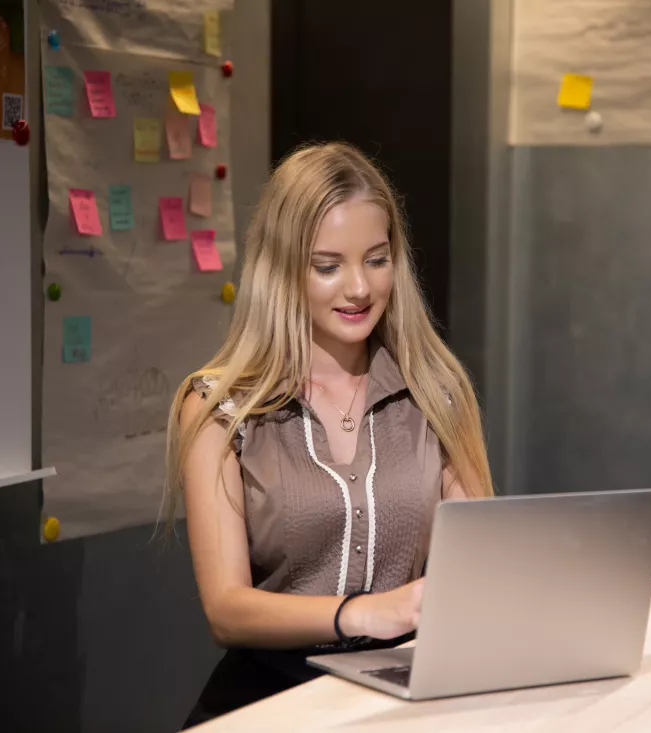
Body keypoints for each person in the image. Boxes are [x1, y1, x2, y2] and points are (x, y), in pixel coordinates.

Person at [162, 142, 494, 727]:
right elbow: (226, 610)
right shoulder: (219, 407)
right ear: (283, 268)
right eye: (328, 266)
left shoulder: (437, 393)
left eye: (377, 259)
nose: (360, 288)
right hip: (268, 703)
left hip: (401, 699)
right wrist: (361, 614)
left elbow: (482, 567)